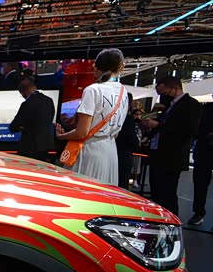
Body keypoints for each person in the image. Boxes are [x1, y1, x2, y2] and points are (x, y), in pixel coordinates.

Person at [56, 48, 128, 185]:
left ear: (96, 67)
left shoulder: (93, 90)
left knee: (81, 190)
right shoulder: (123, 91)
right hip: (110, 151)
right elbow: (116, 132)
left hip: (90, 151)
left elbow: (81, 133)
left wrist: (62, 136)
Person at [142, 76, 203, 216]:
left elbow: (188, 131)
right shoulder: (170, 106)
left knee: (167, 195)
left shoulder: (191, 104)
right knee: (157, 193)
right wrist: (150, 128)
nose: (163, 97)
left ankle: (171, 222)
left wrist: (158, 126)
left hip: (172, 157)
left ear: (175, 88)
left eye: (164, 93)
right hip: (158, 155)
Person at [8, 76, 55, 162]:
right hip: (45, 147)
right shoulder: (49, 101)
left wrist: (23, 127)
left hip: (28, 149)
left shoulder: (27, 104)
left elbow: (13, 127)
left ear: (23, 92)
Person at [188, 89, 213, 226]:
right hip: (204, 151)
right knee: (200, 184)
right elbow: (197, 128)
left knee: (201, 184)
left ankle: (198, 213)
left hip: (204, 149)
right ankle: (198, 212)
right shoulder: (206, 108)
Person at [116, 93, 139, 189]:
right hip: (124, 155)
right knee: (122, 184)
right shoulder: (128, 119)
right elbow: (132, 139)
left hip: (113, 152)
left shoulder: (113, 116)